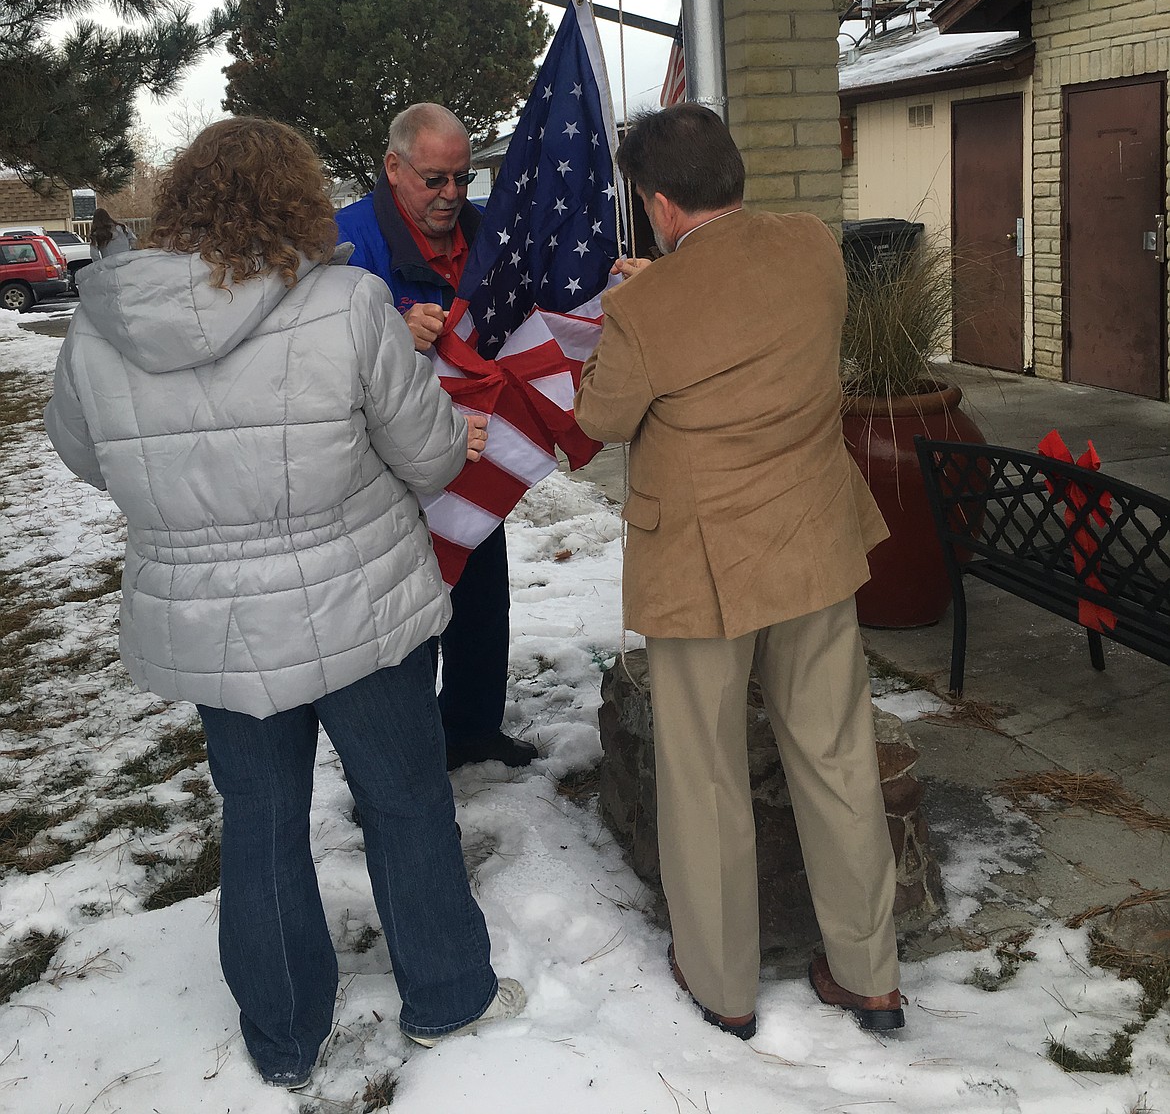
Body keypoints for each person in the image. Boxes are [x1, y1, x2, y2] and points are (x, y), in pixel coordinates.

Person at [44, 117, 525, 1088]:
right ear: (300, 197)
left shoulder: (105, 324)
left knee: (259, 818)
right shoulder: (352, 304)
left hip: (215, 627)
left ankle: (282, 1035)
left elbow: (83, 449)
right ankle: (448, 992)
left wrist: (184, 497)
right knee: (405, 798)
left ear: (183, 197)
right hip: (362, 611)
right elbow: (431, 454)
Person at [575, 104, 902, 1041]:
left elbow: (602, 417)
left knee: (703, 772)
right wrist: (668, 286)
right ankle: (869, 975)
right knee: (839, 757)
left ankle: (722, 984)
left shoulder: (643, 310)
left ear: (661, 203)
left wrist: (631, 307)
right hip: (813, 543)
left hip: (702, 564)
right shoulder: (811, 246)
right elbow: (734, 306)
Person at [336, 103, 536, 772]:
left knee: (482, 603)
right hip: (387, 473)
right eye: (433, 180)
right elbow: (311, 350)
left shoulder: (489, 237)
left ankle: (474, 730)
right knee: (407, 618)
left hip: (476, 452)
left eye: (462, 177)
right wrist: (392, 327)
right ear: (393, 168)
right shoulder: (345, 240)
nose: (452, 194)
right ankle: (408, 758)